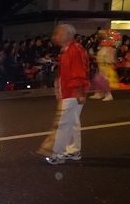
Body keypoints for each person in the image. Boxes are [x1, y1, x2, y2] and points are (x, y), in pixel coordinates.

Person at [36, 24, 90, 165]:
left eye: (58, 33)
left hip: (72, 92)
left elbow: (79, 72)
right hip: (70, 91)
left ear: (67, 35)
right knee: (72, 122)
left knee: (63, 123)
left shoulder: (74, 50)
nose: (56, 36)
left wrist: (79, 92)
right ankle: (73, 151)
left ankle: (56, 153)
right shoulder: (68, 49)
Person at [90, 29, 121, 102]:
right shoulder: (103, 47)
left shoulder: (110, 48)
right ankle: (99, 93)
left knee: (102, 80)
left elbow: (111, 59)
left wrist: (111, 65)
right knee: (98, 80)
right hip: (101, 66)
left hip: (106, 67)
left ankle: (108, 94)